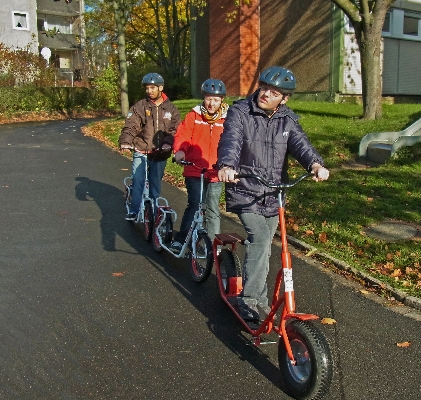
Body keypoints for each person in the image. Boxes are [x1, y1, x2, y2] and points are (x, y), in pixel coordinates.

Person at [216, 66, 329, 323]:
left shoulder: (287, 119)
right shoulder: (240, 112)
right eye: (264, 87)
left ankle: (260, 299)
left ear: (284, 98)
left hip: (275, 193)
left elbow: (301, 144)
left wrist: (315, 164)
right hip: (246, 189)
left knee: (266, 245)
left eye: (274, 92)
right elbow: (230, 140)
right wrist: (226, 166)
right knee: (260, 241)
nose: (265, 93)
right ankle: (251, 301)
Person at [169, 79, 229, 251]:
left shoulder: (227, 119)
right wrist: (180, 151)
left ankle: (214, 246)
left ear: (222, 100)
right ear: (204, 98)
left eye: (216, 100)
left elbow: (232, 142)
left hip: (216, 172)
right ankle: (181, 239)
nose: (212, 103)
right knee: (195, 204)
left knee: (212, 207)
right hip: (195, 169)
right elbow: (183, 135)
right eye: (209, 99)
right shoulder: (194, 116)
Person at [119, 73, 181, 220]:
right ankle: (134, 210)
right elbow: (131, 126)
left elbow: (175, 130)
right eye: (147, 88)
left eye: (153, 88)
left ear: (161, 87)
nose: (149, 91)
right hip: (141, 149)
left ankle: (153, 212)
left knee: (155, 185)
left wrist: (168, 143)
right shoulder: (140, 107)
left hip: (160, 153)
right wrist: (126, 141)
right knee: (138, 180)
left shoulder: (171, 109)